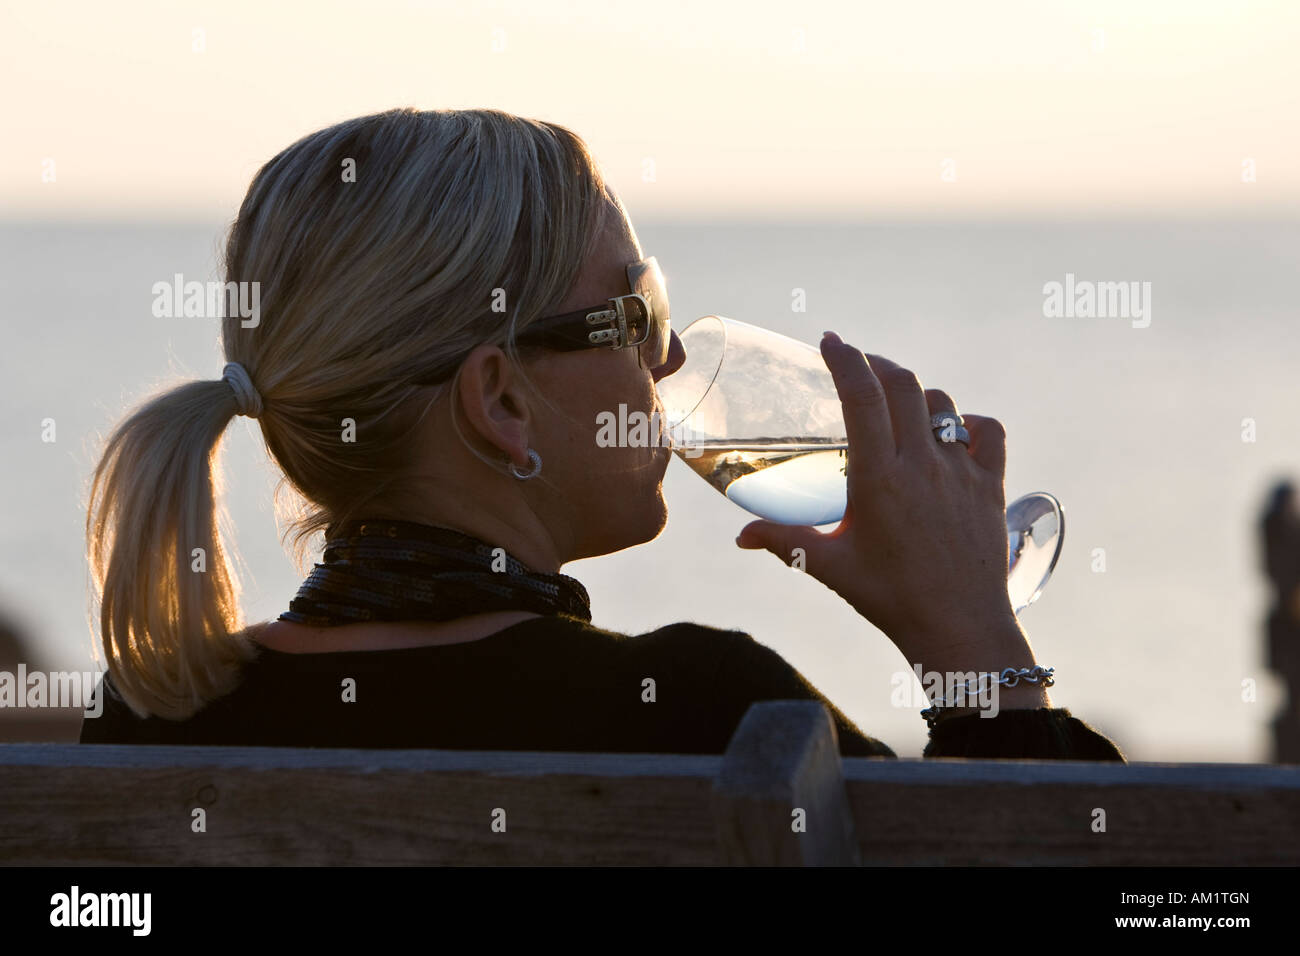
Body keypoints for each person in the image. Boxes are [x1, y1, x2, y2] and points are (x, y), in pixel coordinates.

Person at [80, 108, 1124, 762]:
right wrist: (971, 650)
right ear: (501, 402)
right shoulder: (698, 714)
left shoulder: (148, 718)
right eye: (637, 314)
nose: (667, 362)